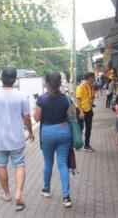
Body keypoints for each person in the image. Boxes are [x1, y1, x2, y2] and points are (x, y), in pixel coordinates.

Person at [0, 67, 34, 212]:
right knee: (19, 165)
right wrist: (30, 132)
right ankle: (18, 194)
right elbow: (27, 117)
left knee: (1, 165)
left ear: (1, 78)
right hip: (17, 139)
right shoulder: (22, 96)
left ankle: (6, 193)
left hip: (0, 140)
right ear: (15, 79)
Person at [34, 72, 73, 208]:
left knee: (48, 162)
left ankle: (46, 189)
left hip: (48, 133)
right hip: (64, 132)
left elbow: (37, 118)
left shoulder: (41, 99)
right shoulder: (66, 99)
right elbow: (70, 116)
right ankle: (66, 197)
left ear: (47, 83)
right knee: (63, 164)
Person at [76, 72, 95, 152]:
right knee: (80, 128)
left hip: (88, 110)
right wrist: (81, 112)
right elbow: (78, 100)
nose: (94, 79)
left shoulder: (91, 87)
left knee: (89, 128)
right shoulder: (81, 87)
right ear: (89, 78)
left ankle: (86, 145)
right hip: (81, 110)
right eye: (93, 78)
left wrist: (92, 101)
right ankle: (78, 143)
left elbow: (92, 96)